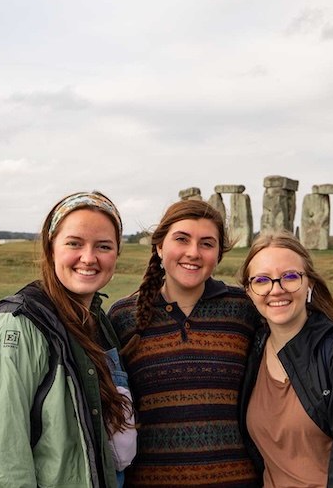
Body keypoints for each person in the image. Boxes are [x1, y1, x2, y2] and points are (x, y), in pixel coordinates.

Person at [0, 191, 136, 488]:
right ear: (51, 248)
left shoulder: (98, 322)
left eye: (103, 246)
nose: (89, 258)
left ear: (116, 254)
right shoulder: (15, 328)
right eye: (74, 243)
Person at [108, 199, 261, 487]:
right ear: (159, 246)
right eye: (182, 239)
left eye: (207, 243)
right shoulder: (123, 317)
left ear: (218, 254)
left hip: (238, 480)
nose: (193, 252)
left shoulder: (243, 309)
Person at [237, 230, 333, 487]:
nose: (276, 290)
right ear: (249, 291)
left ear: (309, 283)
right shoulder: (253, 350)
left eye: (289, 277)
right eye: (262, 280)